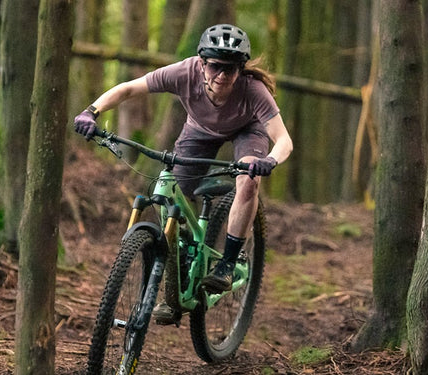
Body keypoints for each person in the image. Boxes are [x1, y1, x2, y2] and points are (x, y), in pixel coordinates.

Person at [73, 24, 293, 325]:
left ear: (240, 70)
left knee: (248, 182)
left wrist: (269, 159)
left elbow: (284, 140)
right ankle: (178, 281)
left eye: (231, 69)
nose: (222, 76)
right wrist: (92, 111)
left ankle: (226, 265)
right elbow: (129, 89)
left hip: (247, 130)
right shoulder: (183, 73)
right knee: (173, 193)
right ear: (202, 63)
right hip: (200, 130)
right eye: (215, 66)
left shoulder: (253, 91)